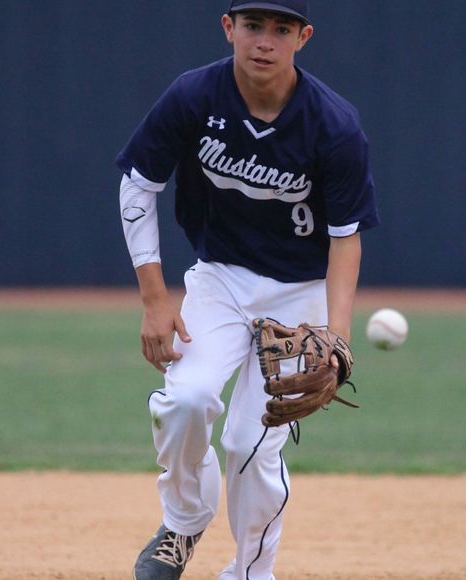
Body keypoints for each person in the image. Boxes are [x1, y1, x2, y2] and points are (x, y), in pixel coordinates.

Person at [116, 1, 379, 578]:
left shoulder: (334, 125)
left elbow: (345, 239)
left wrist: (336, 337)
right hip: (220, 277)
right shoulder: (193, 96)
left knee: (250, 442)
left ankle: (251, 572)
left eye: (281, 29)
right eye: (253, 25)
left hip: (302, 290)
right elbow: (137, 187)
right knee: (186, 400)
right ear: (228, 27)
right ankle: (184, 521)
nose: (265, 41)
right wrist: (155, 300)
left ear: (303, 37)